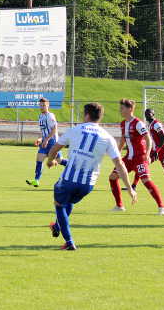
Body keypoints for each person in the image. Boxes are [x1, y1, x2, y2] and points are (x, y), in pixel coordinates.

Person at [45, 102, 136, 250]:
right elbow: (120, 164)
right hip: (87, 185)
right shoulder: (107, 137)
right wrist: (130, 189)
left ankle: (69, 242)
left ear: (87, 115)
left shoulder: (75, 130)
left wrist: (50, 160)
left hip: (69, 179)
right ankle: (57, 225)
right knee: (69, 201)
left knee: (59, 204)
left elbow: (55, 148)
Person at [108, 98, 164, 215]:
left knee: (146, 180)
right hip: (128, 158)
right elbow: (123, 140)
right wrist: (118, 152)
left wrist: (147, 154)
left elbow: (148, 139)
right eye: (120, 108)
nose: (120, 110)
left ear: (130, 109)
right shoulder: (123, 123)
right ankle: (119, 206)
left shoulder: (138, 123)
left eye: (122, 108)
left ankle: (162, 207)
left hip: (140, 158)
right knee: (113, 177)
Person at [26, 97, 68, 187]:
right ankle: (36, 180)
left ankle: (74, 166)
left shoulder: (50, 116)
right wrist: (40, 139)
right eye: (40, 105)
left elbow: (54, 129)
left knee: (60, 161)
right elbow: (44, 131)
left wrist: (46, 140)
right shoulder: (40, 116)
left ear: (48, 106)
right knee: (39, 159)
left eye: (44, 105)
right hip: (45, 141)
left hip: (53, 141)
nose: (42, 107)